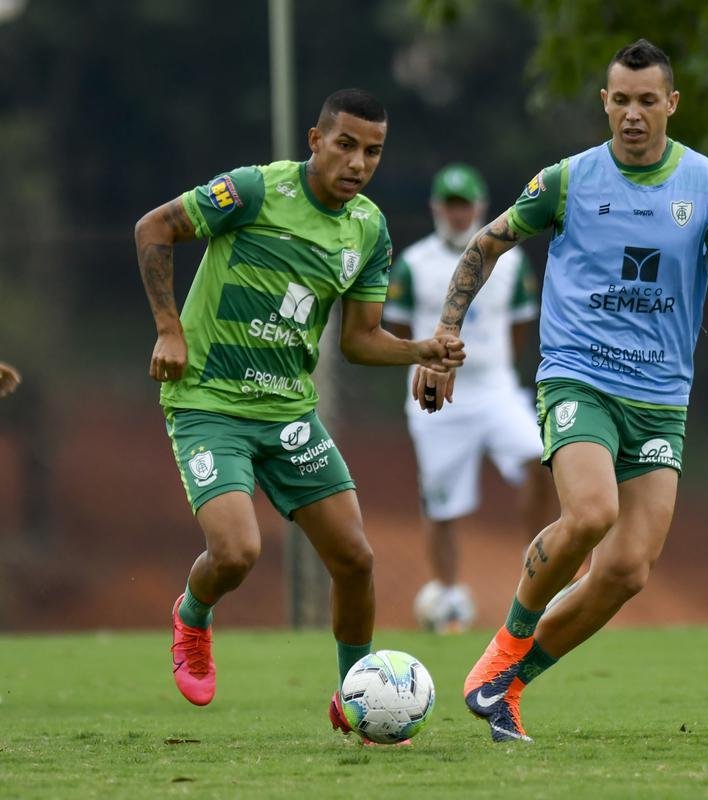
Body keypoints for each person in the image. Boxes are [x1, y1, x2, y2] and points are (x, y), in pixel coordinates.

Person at [411, 39, 708, 742]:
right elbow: (485, 245)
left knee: (628, 570)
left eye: (647, 101)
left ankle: (509, 685)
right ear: (605, 102)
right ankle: (503, 646)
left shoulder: (707, 185)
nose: (632, 115)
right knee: (592, 513)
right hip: (580, 376)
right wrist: (446, 335)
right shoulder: (566, 181)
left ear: (671, 104)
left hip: (660, 396)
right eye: (620, 100)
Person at [133, 89, 464, 732]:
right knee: (235, 553)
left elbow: (360, 339)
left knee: (356, 560)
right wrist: (170, 329)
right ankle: (193, 617)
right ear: (314, 141)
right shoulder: (255, 191)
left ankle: (357, 696)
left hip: (288, 414)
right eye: (345, 145)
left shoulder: (369, 228)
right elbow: (155, 228)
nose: (358, 162)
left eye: (373, 151)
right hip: (209, 403)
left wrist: (422, 349)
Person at [383, 164, 556, 633]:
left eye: (466, 204)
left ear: (481, 208)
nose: (459, 214)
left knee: (543, 459)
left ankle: (541, 568)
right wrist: (430, 364)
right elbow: (397, 328)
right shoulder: (414, 264)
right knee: (440, 501)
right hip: (438, 397)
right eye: (450, 204)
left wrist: (493, 365)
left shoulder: (512, 260)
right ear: (437, 209)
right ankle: (449, 596)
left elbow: (521, 324)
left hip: (496, 387)